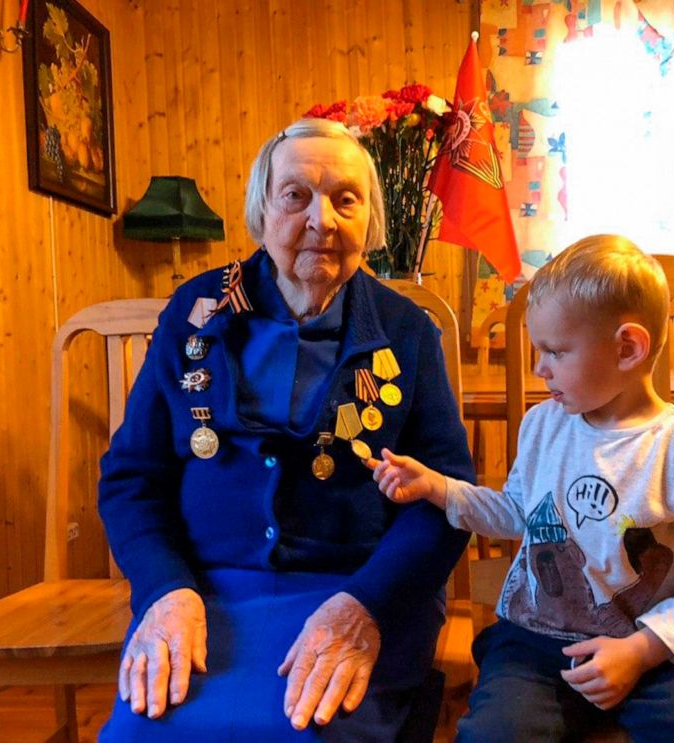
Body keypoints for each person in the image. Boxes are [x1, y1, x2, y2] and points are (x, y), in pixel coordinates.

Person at [97, 117, 473, 741]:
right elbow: (132, 477)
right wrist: (165, 590)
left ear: (370, 222)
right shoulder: (194, 315)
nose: (321, 220)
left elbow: (446, 494)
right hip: (203, 597)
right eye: (295, 195)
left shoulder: (407, 331)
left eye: (344, 199)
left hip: (359, 595)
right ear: (262, 211)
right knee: (147, 732)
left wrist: (368, 605)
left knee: (305, 729)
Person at [368, 235, 674, 741]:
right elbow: (516, 513)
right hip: (537, 642)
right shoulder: (543, 425)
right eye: (539, 350)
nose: (540, 368)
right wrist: (438, 488)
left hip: (653, 649)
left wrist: (643, 650)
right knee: (492, 735)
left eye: (555, 351)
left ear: (627, 347)